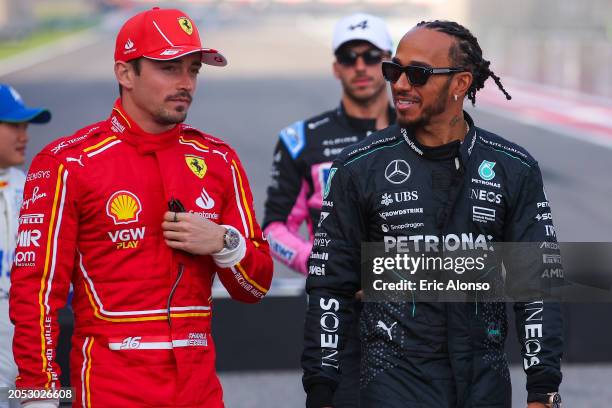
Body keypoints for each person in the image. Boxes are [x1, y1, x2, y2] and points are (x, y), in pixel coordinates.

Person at [10, 7, 273, 408]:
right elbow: (36, 293)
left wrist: (225, 242)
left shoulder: (219, 159)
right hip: (111, 391)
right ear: (125, 73)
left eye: (194, 69)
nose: (186, 83)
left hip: (200, 392)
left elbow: (254, 289)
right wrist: (37, 396)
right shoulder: (67, 163)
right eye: (169, 68)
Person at [302, 20, 563, 408]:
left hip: (484, 386)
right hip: (391, 383)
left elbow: (538, 286)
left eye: (418, 74)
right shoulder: (358, 166)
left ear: (461, 83)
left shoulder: (513, 167)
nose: (401, 84)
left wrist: (543, 391)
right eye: (394, 70)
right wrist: (321, 390)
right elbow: (329, 288)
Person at [262, 13, 394, 408]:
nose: (360, 66)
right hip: (336, 309)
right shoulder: (301, 140)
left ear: (388, 62)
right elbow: (274, 228)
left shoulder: (421, 131)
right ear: (336, 66)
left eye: (371, 56)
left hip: (415, 306)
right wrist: (322, 264)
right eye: (349, 56)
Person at [0, 85, 51, 407]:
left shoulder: (33, 188)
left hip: (25, 363)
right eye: (14, 125)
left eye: (26, 126)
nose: (25, 135)